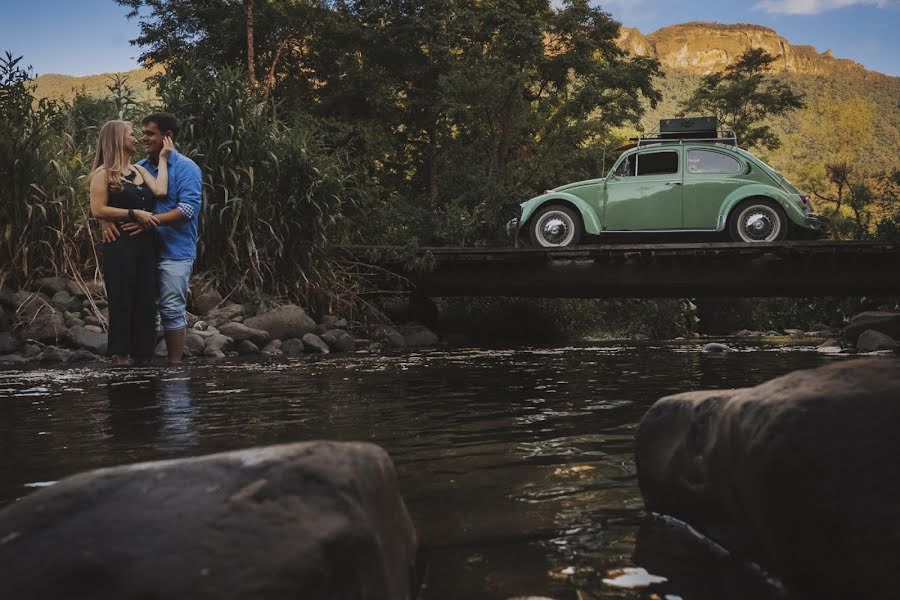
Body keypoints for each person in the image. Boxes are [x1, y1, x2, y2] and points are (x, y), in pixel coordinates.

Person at [102, 112, 202, 365]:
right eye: (141, 133)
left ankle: (175, 368)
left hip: (175, 249)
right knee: (145, 309)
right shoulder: (139, 168)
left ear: (167, 137)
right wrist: (105, 219)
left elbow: (188, 209)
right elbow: (111, 196)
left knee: (171, 307)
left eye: (149, 134)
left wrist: (150, 221)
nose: (144, 138)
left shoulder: (187, 168)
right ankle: (146, 370)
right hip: (142, 251)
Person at [89, 120, 173, 365]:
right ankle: (121, 359)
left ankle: (143, 357)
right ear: (117, 139)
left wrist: (164, 159)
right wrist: (133, 214)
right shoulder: (103, 173)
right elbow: (97, 209)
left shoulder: (139, 170)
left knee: (146, 300)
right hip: (119, 245)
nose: (135, 138)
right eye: (130, 134)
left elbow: (160, 190)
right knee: (122, 299)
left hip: (146, 246)